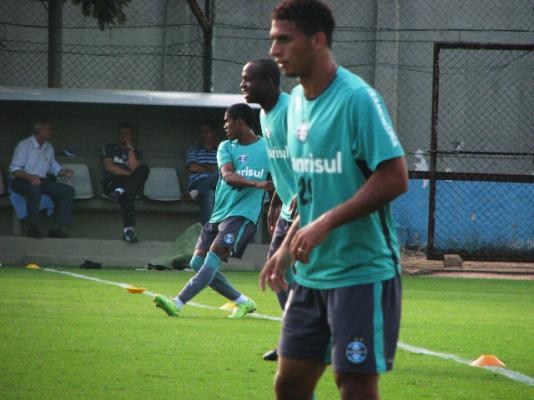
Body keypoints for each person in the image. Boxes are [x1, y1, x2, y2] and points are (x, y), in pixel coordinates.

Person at [259, 1, 409, 399]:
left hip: (361, 272)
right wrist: (286, 248)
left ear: (318, 40)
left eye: (285, 40)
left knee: (354, 385)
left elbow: (395, 178)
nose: (275, 50)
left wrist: (327, 223)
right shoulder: (295, 104)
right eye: (273, 40)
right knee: (289, 384)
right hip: (311, 275)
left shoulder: (357, 99)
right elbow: (313, 192)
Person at [154, 103, 273, 318]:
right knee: (197, 262)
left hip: (242, 215)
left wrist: (277, 203)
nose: (224, 125)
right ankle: (243, 302)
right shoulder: (225, 147)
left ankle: (177, 303)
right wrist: (256, 184)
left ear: (240, 122)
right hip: (219, 214)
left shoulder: (268, 148)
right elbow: (228, 176)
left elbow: (282, 177)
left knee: (213, 257)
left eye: (228, 121)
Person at [241, 58, 295, 362]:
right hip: (288, 207)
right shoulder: (263, 114)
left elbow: (309, 156)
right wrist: (276, 199)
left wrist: (303, 192)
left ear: (269, 82)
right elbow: (279, 162)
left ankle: (308, 338)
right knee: (277, 270)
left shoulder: (290, 111)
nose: (243, 85)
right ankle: (295, 338)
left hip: (309, 207)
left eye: (248, 79)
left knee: (305, 276)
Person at [9, 120, 75, 239]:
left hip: (40, 180)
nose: (52, 132)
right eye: (49, 130)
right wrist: (30, 177)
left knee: (68, 191)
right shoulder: (24, 145)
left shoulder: (48, 146)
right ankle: (33, 229)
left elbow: (52, 165)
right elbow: (14, 169)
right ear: (39, 131)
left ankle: (56, 228)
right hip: (21, 180)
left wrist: (63, 171)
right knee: (34, 190)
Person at [101, 122, 150, 243]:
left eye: (127, 134)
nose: (124, 136)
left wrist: (130, 149)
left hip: (125, 186)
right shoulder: (109, 147)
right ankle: (128, 230)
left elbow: (135, 168)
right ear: (118, 135)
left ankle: (128, 230)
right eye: (122, 133)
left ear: (131, 136)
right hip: (112, 182)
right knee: (129, 191)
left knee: (144, 169)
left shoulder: (136, 151)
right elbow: (109, 167)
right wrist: (132, 177)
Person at [185, 122, 219, 225]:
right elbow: (193, 167)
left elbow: (223, 171)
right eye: (202, 132)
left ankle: (196, 192)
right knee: (209, 193)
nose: (204, 134)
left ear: (213, 133)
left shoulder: (220, 152)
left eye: (207, 131)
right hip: (197, 182)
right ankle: (209, 231)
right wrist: (211, 168)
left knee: (220, 174)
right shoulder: (193, 150)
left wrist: (203, 166)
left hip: (217, 186)